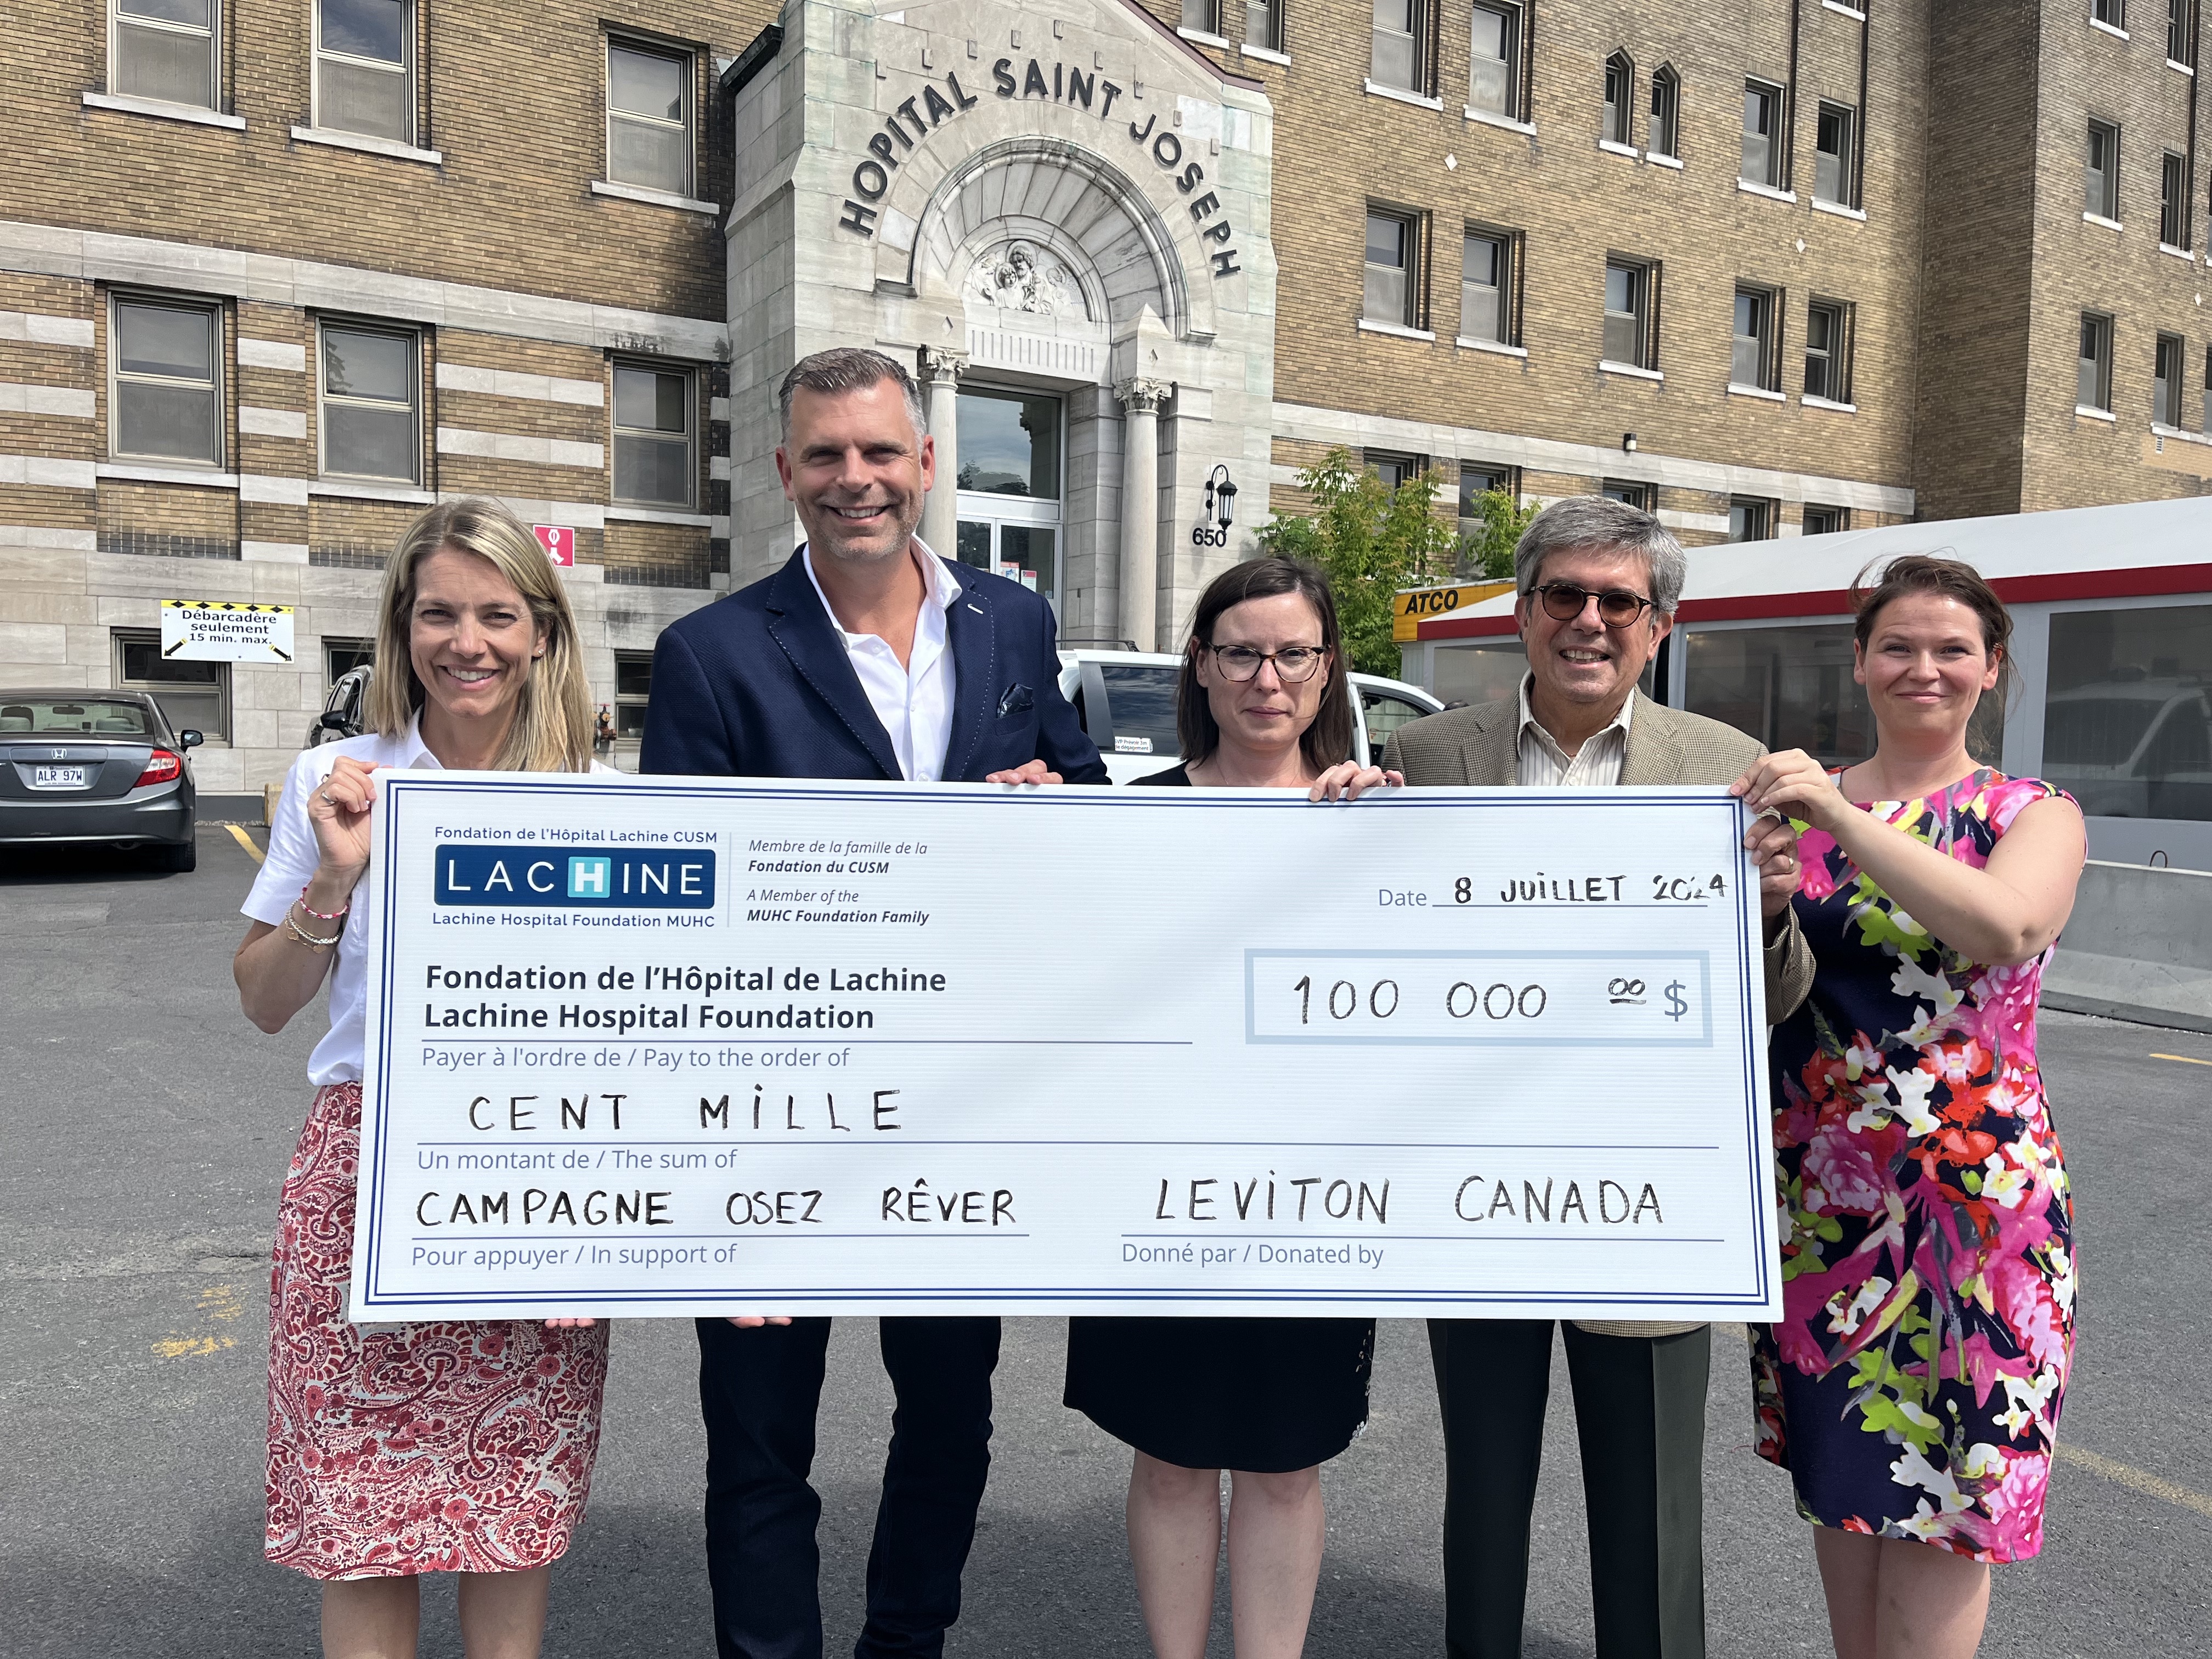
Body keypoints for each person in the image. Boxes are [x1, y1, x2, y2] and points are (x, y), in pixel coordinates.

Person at [638, 346, 1109, 1659]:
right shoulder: (710, 653)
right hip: (772, 1112)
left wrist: (1061, 807)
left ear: (926, 464)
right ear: (786, 473)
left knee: (953, 1417)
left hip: (959, 1107)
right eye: (828, 456)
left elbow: (1074, 792)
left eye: (880, 453)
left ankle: (907, 1642)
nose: (858, 480)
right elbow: (676, 911)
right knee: (759, 1435)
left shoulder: (1011, 621)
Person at [1381, 495, 1811, 1659]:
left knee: (1654, 1517)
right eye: (1562, 594)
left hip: (1649, 1200)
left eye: (1618, 600)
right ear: (1521, 613)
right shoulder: (1419, 761)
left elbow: (1775, 1009)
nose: (1588, 620)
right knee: (1483, 1500)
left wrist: (1770, 917)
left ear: (1658, 625)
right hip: (1475, 1195)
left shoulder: (1726, 769)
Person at [234, 498, 611, 1659]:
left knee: (512, 1517)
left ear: (541, 632)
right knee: (363, 1518)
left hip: (541, 1169)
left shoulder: (603, 800)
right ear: (402, 631)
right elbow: (260, 1000)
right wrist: (333, 885)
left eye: (499, 615)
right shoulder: (336, 782)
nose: (469, 643)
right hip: (369, 1164)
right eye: (439, 614)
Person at [1731, 556, 2082, 1659]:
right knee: (1851, 1490)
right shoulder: (1793, 816)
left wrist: (1843, 813)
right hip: (1824, 1208)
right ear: (1860, 662)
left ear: (1990, 672)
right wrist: (1762, 899)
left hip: (1978, 1214)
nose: (1921, 668)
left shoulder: (2031, 812)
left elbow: (2005, 929)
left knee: (1948, 1503)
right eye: (1897, 645)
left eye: (1950, 649)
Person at [1063, 555, 1397, 1659]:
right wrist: (1013, 839)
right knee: (1168, 1455)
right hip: (1150, 1193)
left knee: (1284, 1458)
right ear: (1199, 667)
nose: (1268, 677)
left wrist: (1407, 848)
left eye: (1294, 652)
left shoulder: (1381, 825)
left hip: (1314, 1195)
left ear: (1327, 667)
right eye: (1242, 652)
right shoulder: (1125, 823)